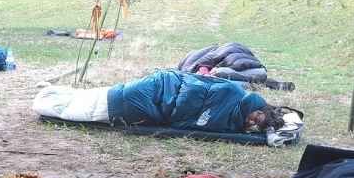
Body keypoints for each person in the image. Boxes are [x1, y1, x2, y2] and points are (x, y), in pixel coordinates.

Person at [106, 69, 287, 133]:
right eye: (255, 118)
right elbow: (192, 91)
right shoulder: (231, 91)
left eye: (254, 124)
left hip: (151, 103)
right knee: (119, 98)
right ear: (257, 107)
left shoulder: (235, 118)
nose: (250, 122)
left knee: (114, 102)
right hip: (161, 88)